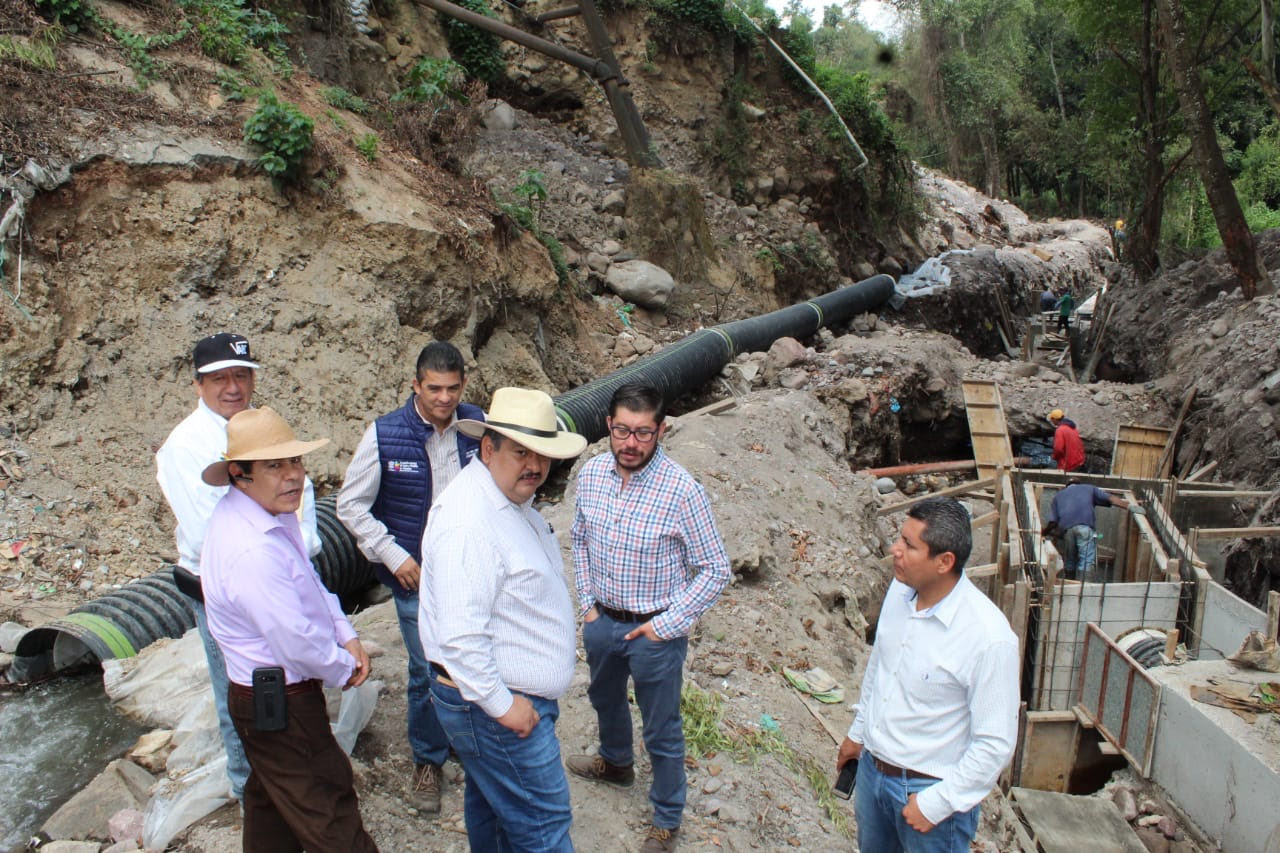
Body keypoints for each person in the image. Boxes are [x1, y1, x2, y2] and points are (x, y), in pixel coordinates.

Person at [200, 407, 377, 852]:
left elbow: (309, 582)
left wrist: (345, 631)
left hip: (267, 698)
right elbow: (294, 638)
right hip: (281, 700)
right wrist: (344, 667)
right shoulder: (250, 549)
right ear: (239, 473)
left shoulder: (269, 517)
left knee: (271, 805)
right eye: (275, 466)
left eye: (295, 462)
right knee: (328, 804)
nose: (292, 476)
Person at [419, 387, 587, 852]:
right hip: (495, 703)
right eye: (520, 452)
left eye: (542, 455)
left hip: (501, 699)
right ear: (488, 447)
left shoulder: (504, 501)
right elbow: (458, 636)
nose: (533, 465)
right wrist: (501, 703)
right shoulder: (469, 523)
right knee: (545, 824)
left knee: (495, 811)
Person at [155, 332, 320, 803]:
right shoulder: (185, 447)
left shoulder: (263, 428)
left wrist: (299, 554)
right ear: (198, 384)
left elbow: (300, 497)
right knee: (242, 690)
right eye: (220, 378)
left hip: (285, 572)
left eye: (241, 375)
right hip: (223, 589)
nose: (233, 387)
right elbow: (216, 534)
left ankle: (293, 774)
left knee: (290, 678)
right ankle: (251, 791)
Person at [567, 382, 732, 853]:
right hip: (603, 621)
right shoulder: (593, 474)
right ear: (608, 427)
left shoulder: (682, 491)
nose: (631, 443)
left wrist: (667, 623)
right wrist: (587, 605)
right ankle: (616, 763)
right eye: (622, 430)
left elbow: (715, 569)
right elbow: (578, 539)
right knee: (604, 698)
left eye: (642, 432)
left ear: (660, 430)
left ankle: (666, 817)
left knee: (661, 728)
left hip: (655, 630)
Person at [336, 341, 482, 813]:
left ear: (463, 385)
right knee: (425, 669)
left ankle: (467, 738)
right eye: (434, 388)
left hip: (470, 569)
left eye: (453, 388)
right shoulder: (385, 435)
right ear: (415, 385)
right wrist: (394, 556)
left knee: (472, 657)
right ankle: (428, 759)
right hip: (415, 576)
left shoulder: (476, 427)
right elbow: (350, 505)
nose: (444, 398)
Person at [836, 497, 1019, 853]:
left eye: (908, 544)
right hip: (874, 774)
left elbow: (995, 743)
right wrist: (858, 735)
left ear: (944, 562)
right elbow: (881, 666)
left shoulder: (988, 638)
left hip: (928, 795)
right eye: (899, 539)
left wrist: (936, 804)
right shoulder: (900, 590)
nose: (895, 550)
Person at [1045, 481, 1144, 580]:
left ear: (1066, 487)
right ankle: (1084, 587)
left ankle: (1068, 585)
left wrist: (1044, 532)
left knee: (1070, 560)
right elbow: (1111, 499)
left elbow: (1053, 522)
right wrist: (1129, 506)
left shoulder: (1058, 496)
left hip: (1067, 531)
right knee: (1086, 560)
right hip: (1085, 528)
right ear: (1079, 484)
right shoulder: (1089, 488)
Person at [1047, 409, 1085, 473]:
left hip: (1069, 463)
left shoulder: (1060, 430)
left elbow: (1058, 448)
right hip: (1078, 461)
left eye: (1052, 419)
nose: (1051, 421)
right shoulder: (1072, 428)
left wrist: (1054, 456)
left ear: (1055, 419)